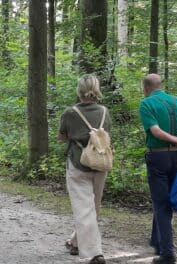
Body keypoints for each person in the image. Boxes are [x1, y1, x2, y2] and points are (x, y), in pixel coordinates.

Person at [139, 74, 177, 264]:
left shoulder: (146, 104)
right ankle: (157, 241)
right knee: (163, 200)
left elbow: (155, 131)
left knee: (161, 203)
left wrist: (175, 140)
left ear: (146, 88)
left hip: (158, 157)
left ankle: (168, 253)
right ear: (160, 86)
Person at [58, 75, 112, 264]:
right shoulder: (105, 112)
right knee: (93, 206)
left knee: (84, 208)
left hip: (78, 163)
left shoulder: (70, 112)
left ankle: (93, 253)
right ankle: (75, 241)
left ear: (79, 90)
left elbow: (62, 136)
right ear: (96, 90)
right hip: (100, 163)